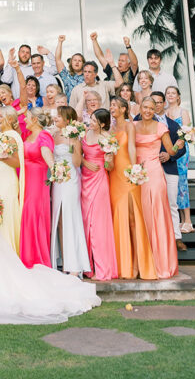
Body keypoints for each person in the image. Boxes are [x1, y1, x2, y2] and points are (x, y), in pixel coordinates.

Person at [0, 115, 100, 325]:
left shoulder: (26, 136)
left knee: (21, 217)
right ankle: (13, 257)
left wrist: (52, 167)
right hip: (6, 180)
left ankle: (31, 258)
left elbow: (31, 157)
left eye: (1, 115)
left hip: (23, 180)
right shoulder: (2, 137)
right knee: (11, 220)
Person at [108, 96, 156, 280]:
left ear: (123, 109)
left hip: (128, 174)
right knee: (119, 218)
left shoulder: (130, 126)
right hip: (114, 177)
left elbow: (132, 149)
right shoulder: (111, 129)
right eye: (111, 105)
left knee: (132, 218)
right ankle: (124, 265)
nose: (112, 108)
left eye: (114, 105)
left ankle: (138, 264)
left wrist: (135, 169)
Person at [134, 96, 181, 279]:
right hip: (136, 174)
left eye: (151, 108)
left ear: (155, 110)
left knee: (156, 215)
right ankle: (143, 263)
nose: (147, 111)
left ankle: (160, 262)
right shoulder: (133, 125)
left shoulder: (161, 127)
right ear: (140, 107)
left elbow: (170, 151)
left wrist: (180, 143)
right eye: (145, 107)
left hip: (153, 174)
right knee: (141, 215)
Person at [146, 91, 188, 252]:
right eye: (153, 102)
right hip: (150, 168)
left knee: (171, 202)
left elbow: (181, 148)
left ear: (164, 103)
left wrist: (170, 156)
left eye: (158, 102)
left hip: (169, 168)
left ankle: (176, 237)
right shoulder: (141, 122)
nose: (156, 105)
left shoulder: (173, 124)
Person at [50, 106, 89, 277]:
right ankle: (65, 261)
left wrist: (74, 143)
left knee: (70, 217)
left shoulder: (74, 137)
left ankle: (75, 264)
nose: (55, 118)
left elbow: (77, 162)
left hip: (71, 178)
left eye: (59, 116)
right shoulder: (54, 135)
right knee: (58, 219)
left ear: (67, 120)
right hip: (58, 180)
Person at [80, 108, 118, 281]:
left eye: (94, 120)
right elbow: (78, 154)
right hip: (85, 180)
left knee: (98, 225)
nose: (91, 122)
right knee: (86, 222)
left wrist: (108, 160)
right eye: (91, 119)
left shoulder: (107, 139)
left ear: (103, 124)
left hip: (99, 180)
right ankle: (88, 266)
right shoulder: (85, 133)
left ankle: (102, 268)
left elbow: (110, 167)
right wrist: (85, 162)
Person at [20, 107, 56, 268]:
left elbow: (47, 156)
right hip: (25, 181)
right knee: (25, 215)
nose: (25, 120)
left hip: (37, 182)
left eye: (27, 117)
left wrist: (55, 169)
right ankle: (26, 256)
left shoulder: (44, 135)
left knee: (33, 214)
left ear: (35, 120)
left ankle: (35, 259)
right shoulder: (27, 136)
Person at [0, 106, 25, 255]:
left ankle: (8, 253)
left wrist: (4, 157)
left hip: (6, 182)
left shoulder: (11, 136)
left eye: (0, 116)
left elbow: (17, 162)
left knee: (6, 215)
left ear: (10, 118)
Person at [165, 85, 194, 234]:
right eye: (168, 93)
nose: (170, 95)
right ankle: (179, 220)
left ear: (178, 96)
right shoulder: (164, 113)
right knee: (173, 185)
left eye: (173, 93)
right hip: (169, 151)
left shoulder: (183, 112)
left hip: (181, 152)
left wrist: (180, 143)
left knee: (182, 183)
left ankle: (188, 220)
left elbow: (188, 133)